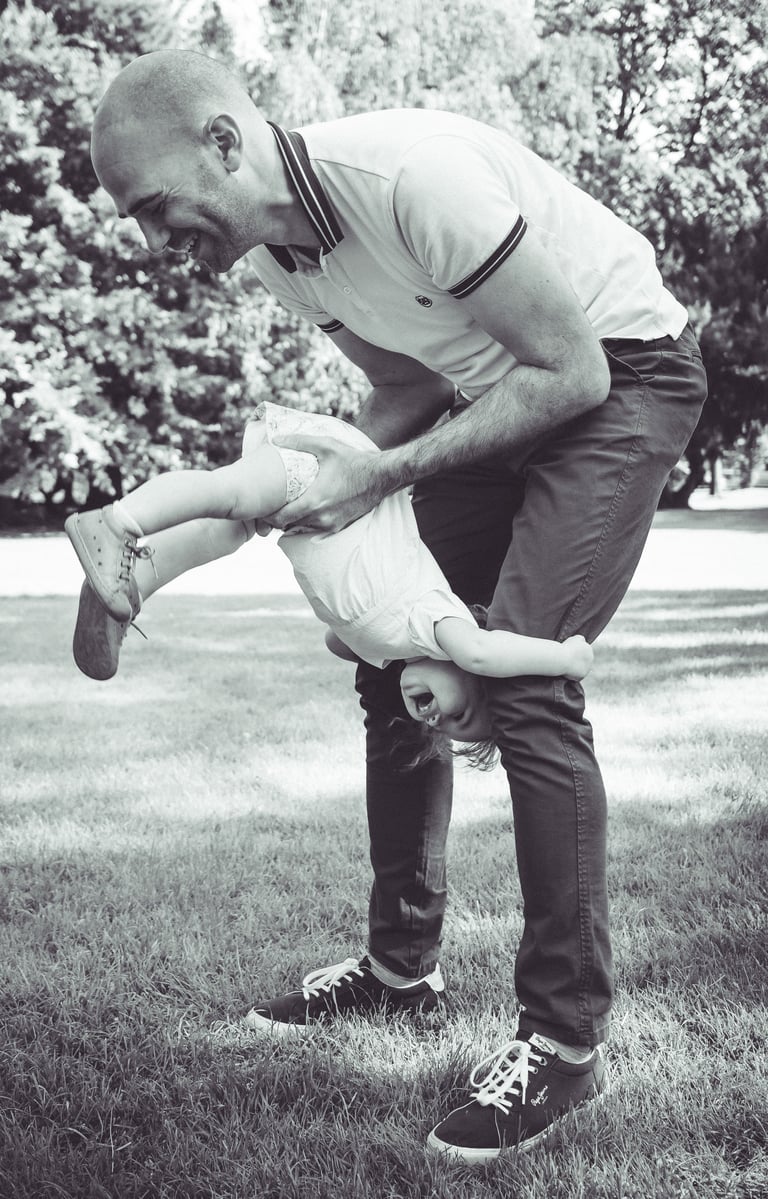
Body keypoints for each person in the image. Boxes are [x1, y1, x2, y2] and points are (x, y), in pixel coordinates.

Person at [88, 49, 708, 1163]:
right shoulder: (284, 255)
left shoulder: (411, 178)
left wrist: (378, 478)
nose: (149, 241)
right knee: (387, 663)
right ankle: (398, 970)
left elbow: (573, 373)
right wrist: (294, 495)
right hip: (499, 391)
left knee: (522, 679)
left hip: (620, 373)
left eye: (153, 207)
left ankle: (564, 1044)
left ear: (225, 144)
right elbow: (413, 391)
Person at [65, 400, 594, 749]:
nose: (435, 725)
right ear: (473, 675)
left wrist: (367, 643)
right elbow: (483, 652)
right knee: (221, 493)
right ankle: (115, 522)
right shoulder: (441, 622)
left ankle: (129, 585)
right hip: (329, 476)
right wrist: (566, 658)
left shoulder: (389, 646)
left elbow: (338, 638)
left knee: (224, 530)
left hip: (305, 507)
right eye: (458, 718)